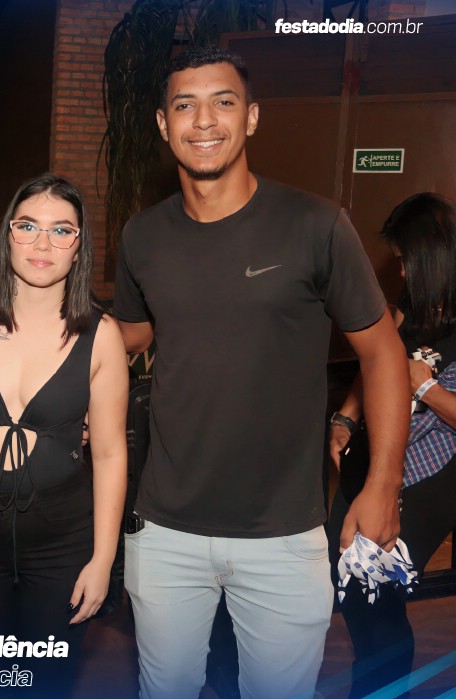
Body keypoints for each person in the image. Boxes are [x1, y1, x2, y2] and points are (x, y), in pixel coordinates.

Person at [111, 46, 409, 699]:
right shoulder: (143, 236)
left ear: (250, 117)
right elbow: (129, 334)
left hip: (284, 533)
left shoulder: (316, 225)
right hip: (165, 529)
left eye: (223, 102)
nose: (203, 120)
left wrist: (383, 483)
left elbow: (384, 353)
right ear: (163, 123)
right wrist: (36, 313)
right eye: (185, 105)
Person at [0, 173, 128, 696]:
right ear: (8, 234)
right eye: (28, 226)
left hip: (62, 543)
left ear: (79, 245)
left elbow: (110, 454)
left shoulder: (102, 336)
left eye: (61, 230)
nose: (43, 244)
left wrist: (103, 561)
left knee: (48, 683)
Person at [327, 192, 456, 698]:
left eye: (405, 261)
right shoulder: (409, 310)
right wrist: (346, 416)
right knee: (350, 584)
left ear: (431, 258)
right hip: (370, 463)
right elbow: (375, 366)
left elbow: (419, 385)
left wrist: (427, 388)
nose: (401, 272)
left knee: (375, 593)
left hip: (428, 472)